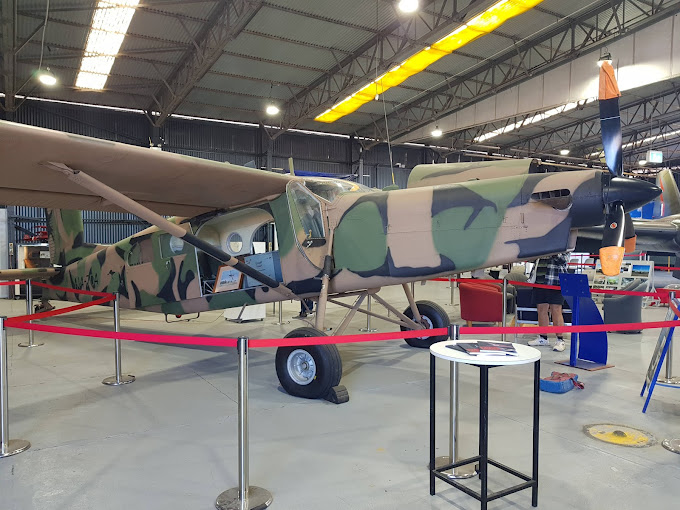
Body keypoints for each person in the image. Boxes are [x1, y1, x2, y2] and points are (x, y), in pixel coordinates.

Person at [528, 252, 569, 352]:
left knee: (556, 310)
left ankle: (560, 340)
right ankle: (543, 338)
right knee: (541, 309)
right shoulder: (541, 245)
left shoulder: (563, 245)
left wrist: (552, 250)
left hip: (555, 281)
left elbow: (563, 260)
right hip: (539, 281)